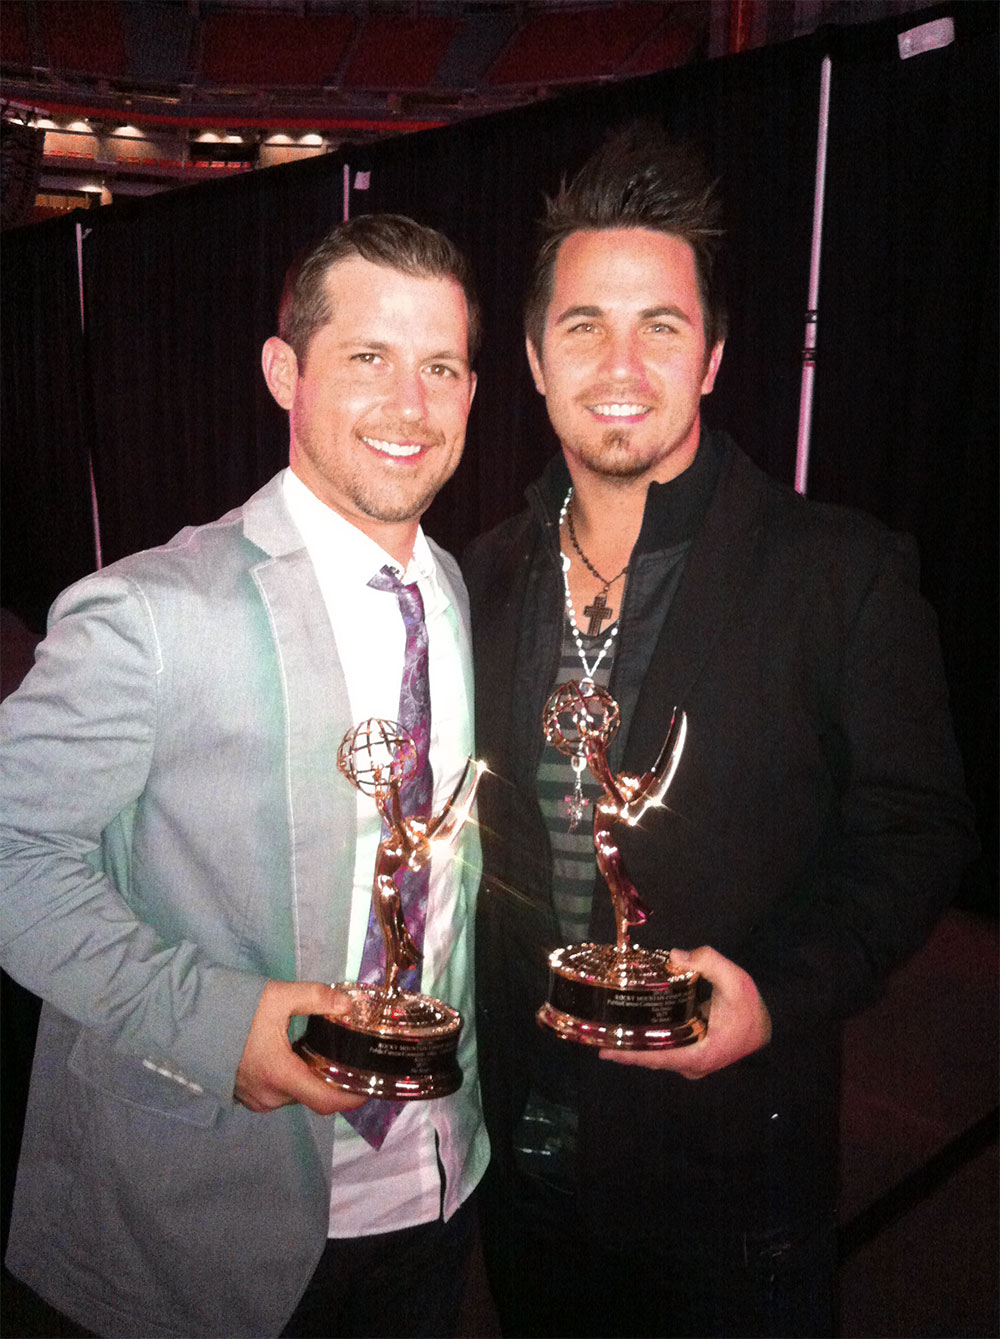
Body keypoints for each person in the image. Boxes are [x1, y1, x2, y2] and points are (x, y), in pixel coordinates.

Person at [462, 124, 977, 1338]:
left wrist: (773, 995)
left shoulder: (836, 573)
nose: (621, 361)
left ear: (714, 356)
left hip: (725, 1177)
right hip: (520, 1163)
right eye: (584, 323)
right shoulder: (476, 578)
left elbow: (916, 832)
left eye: (663, 325)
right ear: (535, 356)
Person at [0, 213, 487, 1339]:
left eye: (441, 367)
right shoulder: (152, 615)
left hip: (433, 1186)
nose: (410, 404)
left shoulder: (454, 591)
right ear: (286, 372)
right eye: (368, 358)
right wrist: (219, 1025)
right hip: (196, 1222)